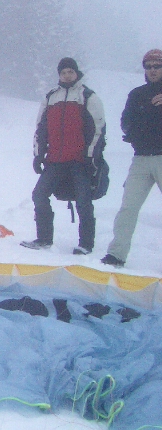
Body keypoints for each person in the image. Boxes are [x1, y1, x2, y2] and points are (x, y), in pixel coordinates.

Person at [21, 57, 106, 255]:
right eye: (63, 72)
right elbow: (41, 129)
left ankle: (86, 244)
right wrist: (38, 154)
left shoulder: (87, 96)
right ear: (59, 75)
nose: (67, 75)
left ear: (76, 73)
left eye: (70, 72)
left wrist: (91, 157)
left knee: (83, 201)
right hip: (55, 160)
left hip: (79, 160)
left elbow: (98, 129)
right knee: (39, 195)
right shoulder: (50, 97)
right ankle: (44, 239)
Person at [101, 49, 162, 268]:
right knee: (128, 207)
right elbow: (126, 123)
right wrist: (144, 115)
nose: (153, 70)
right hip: (141, 159)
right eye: (149, 66)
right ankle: (116, 255)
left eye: (157, 66)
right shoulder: (137, 94)